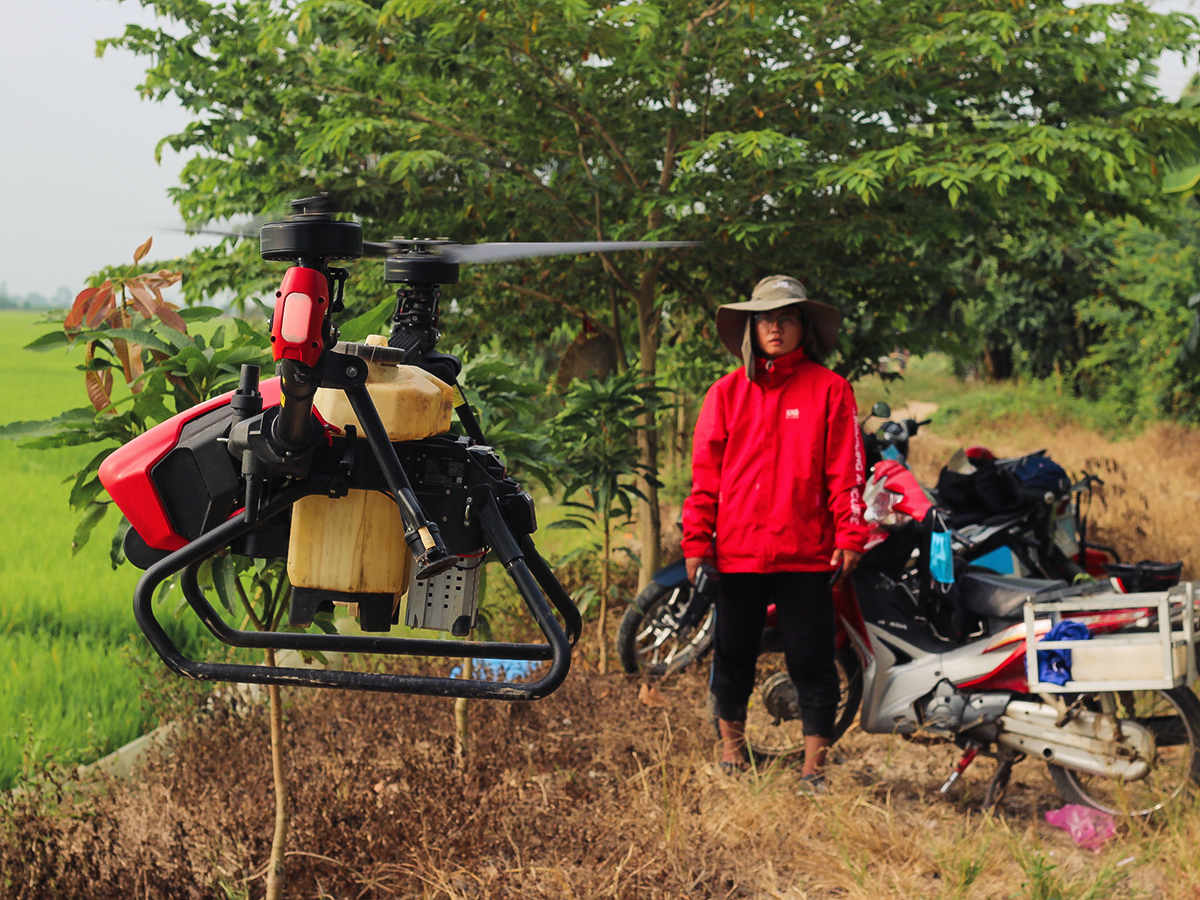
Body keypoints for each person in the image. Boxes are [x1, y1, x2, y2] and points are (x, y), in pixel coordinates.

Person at [680, 274, 867, 791]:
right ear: (751, 329)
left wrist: (850, 533)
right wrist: (696, 540)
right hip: (737, 554)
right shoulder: (725, 393)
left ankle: (814, 769)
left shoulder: (831, 391)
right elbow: (705, 477)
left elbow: (844, 472)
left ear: (803, 326)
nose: (776, 329)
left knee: (812, 657)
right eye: (766, 320)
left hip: (806, 553)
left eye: (786, 318)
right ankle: (731, 754)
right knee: (733, 652)